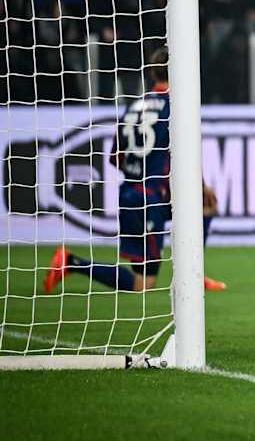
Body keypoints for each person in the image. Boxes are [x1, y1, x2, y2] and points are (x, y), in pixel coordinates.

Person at [44, 48, 228, 294]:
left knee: (205, 208)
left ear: (152, 73)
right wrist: (200, 184)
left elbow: (116, 158)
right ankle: (71, 263)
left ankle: (194, 274)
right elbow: (184, 155)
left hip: (131, 193)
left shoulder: (134, 106)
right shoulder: (177, 106)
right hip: (151, 197)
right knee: (142, 284)